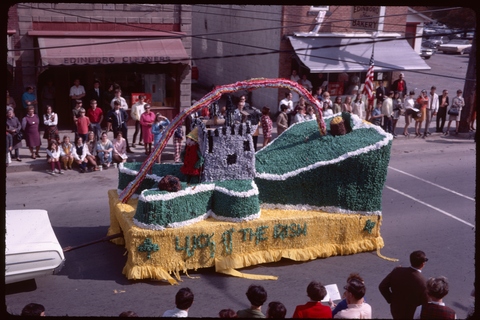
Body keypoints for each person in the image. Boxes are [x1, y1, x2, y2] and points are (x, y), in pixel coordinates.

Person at [379, 250, 429, 319]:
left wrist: (391, 299)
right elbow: (426, 302)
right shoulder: (423, 282)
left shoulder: (397, 271)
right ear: (422, 264)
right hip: (413, 313)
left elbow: (382, 286)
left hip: (396, 310)